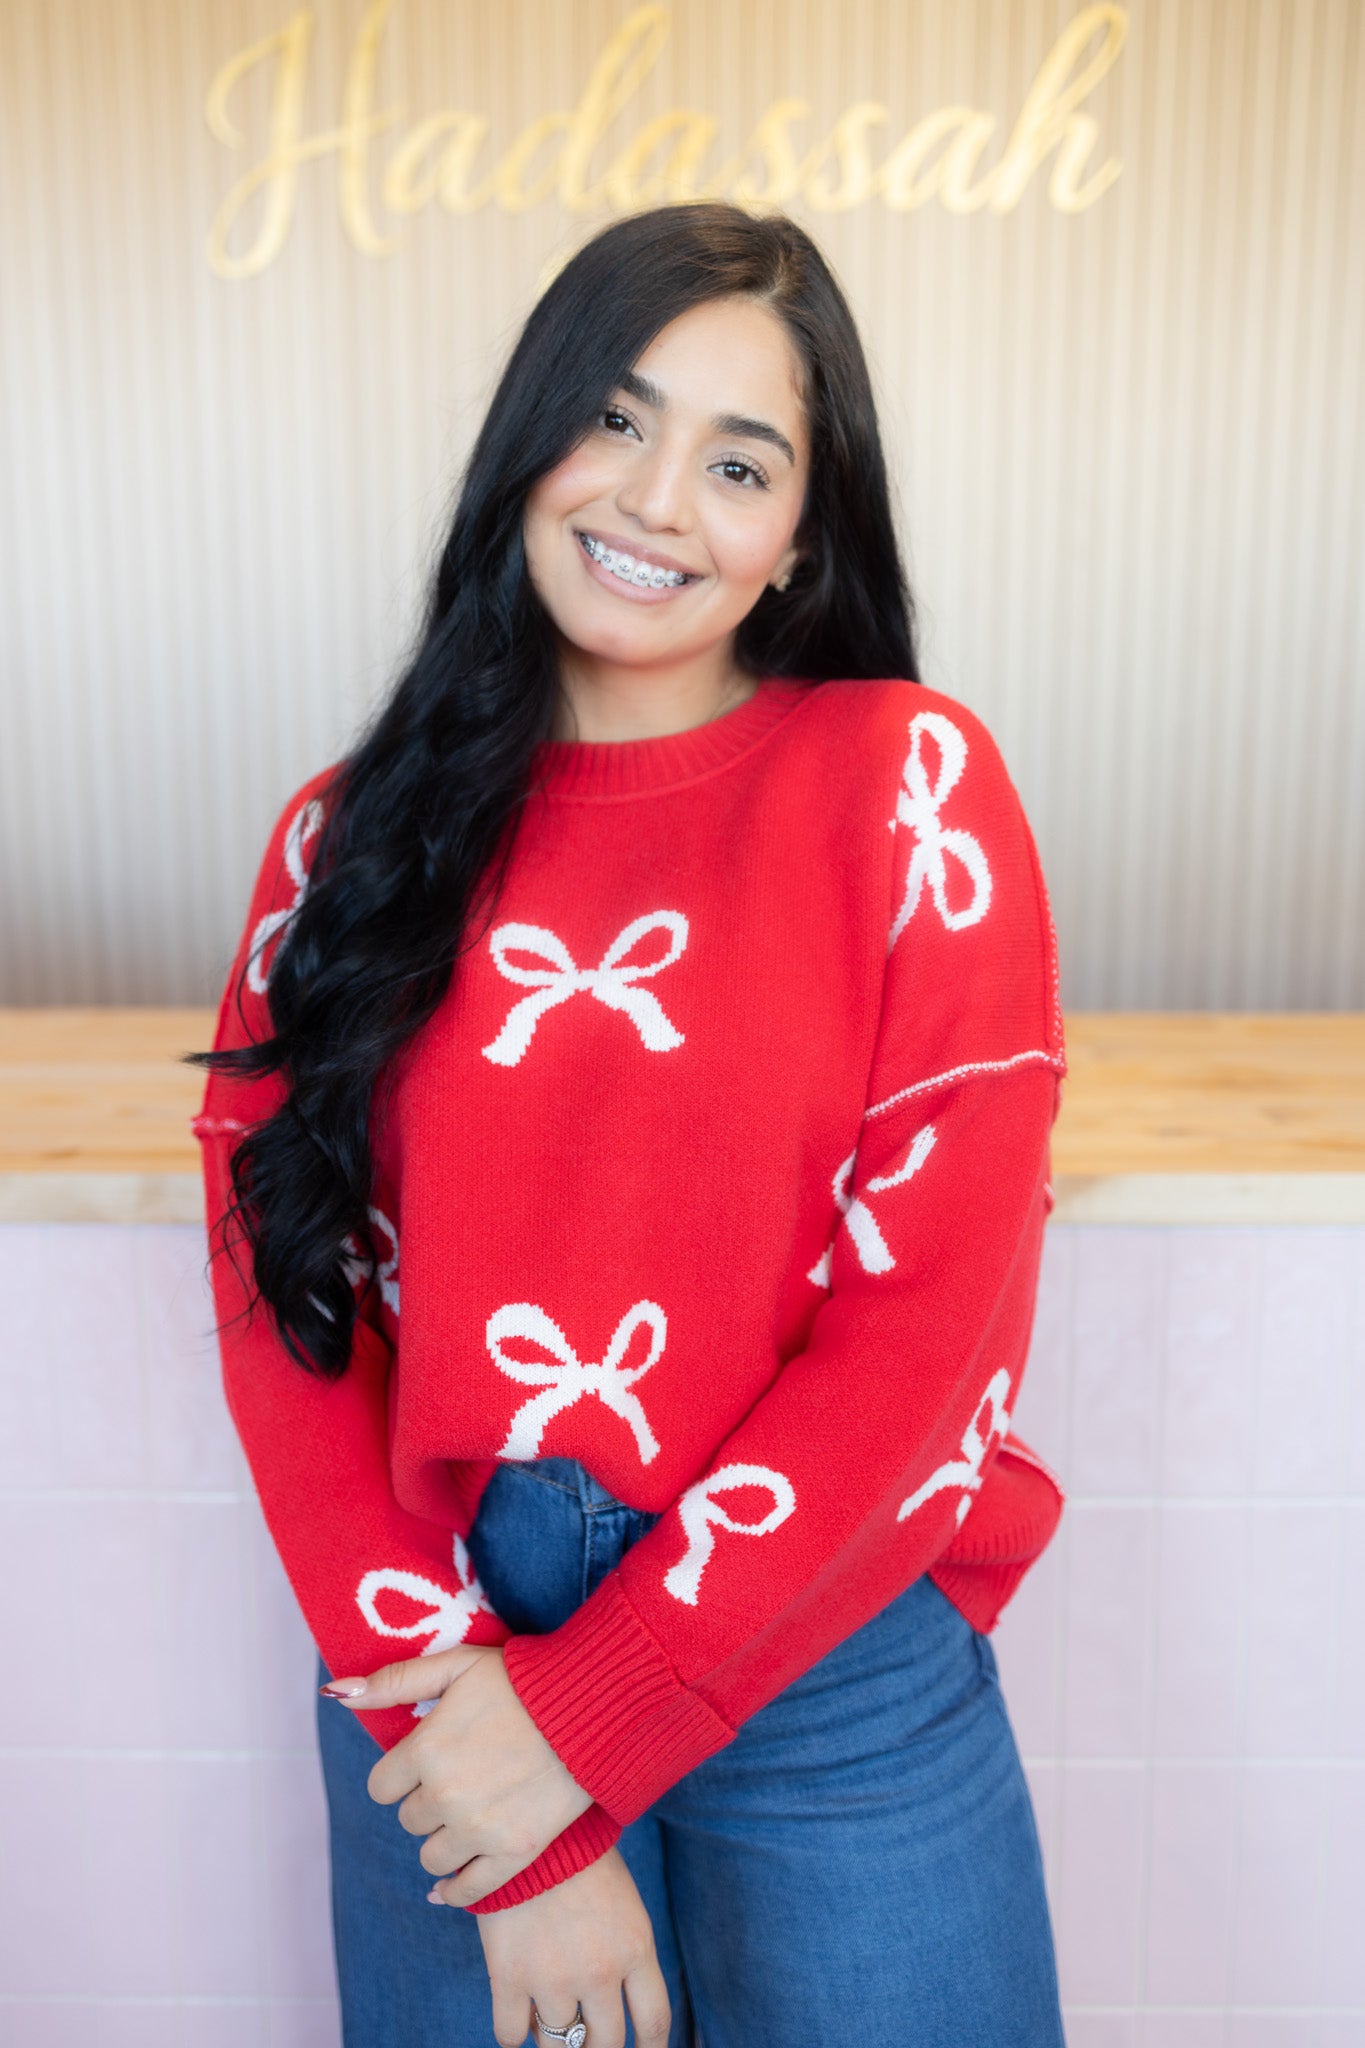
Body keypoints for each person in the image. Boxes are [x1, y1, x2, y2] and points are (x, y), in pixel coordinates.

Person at [193, 201, 1069, 2048]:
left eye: (737, 461)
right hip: (443, 1664)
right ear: (527, 445)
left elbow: (932, 1337)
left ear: (794, 541)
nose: (657, 497)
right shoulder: (335, 847)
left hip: (826, 1646)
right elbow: (289, 1317)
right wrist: (500, 1804)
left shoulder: (909, 786)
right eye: (614, 414)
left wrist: (589, 1717)